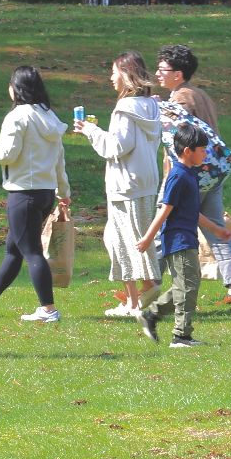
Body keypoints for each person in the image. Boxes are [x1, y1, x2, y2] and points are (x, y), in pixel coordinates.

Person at [0, 65, 71, 324]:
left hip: (23, 194)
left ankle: (48, 309)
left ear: (17, 89)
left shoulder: (18, 116)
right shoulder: (49, 116)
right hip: (44, 193)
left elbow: (6, 154)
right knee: (14, 248)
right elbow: (59, 160)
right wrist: (63, 191)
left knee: (32, 251)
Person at [155, 44, 231, 304]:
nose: (158, 74)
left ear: (179, 73)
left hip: (190, 175)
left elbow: (179, 143)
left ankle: (148, 284)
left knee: (164, 225)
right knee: (216, 229)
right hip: (212, 173)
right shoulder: (200, 94)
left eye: (163, 69)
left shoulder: (180, 100)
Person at [80, 52, 165, 317]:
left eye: (114, 72)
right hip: (145, 180)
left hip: (126, 184)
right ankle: (140, 295)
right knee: (131, 238)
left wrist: (91, 131)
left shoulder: (125, 108)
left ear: (127, 75)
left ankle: (139, 299)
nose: (110, 78)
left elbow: (118, 146)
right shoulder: (151, 105)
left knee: (122, 241)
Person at [135, 123, 231, 348]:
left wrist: (216, 229)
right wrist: (148, 238)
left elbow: (193, 212)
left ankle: (152, 315)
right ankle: (181, 336)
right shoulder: (178, 176)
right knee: (187, 286)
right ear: (188, 151)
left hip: (187, 237)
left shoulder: (189, 174)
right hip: (177, 239)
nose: (205, 153)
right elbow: (165, 209)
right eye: (202, 150)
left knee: (188, 283)